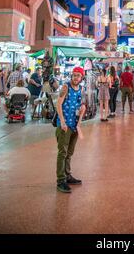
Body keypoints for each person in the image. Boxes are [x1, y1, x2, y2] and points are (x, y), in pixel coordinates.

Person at [56, 66, 86, 194]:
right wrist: (62, 121)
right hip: (65, 125)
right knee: (62, 152)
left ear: (81, 77)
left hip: (74, 125)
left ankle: (67, 175)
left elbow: (80, 105)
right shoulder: (65, 87)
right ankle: (61, 180)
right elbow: (58, 104)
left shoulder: (80, 89)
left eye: (78, 76)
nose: (75, 77)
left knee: (69, 152)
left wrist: (81, 113)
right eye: (74, 75)